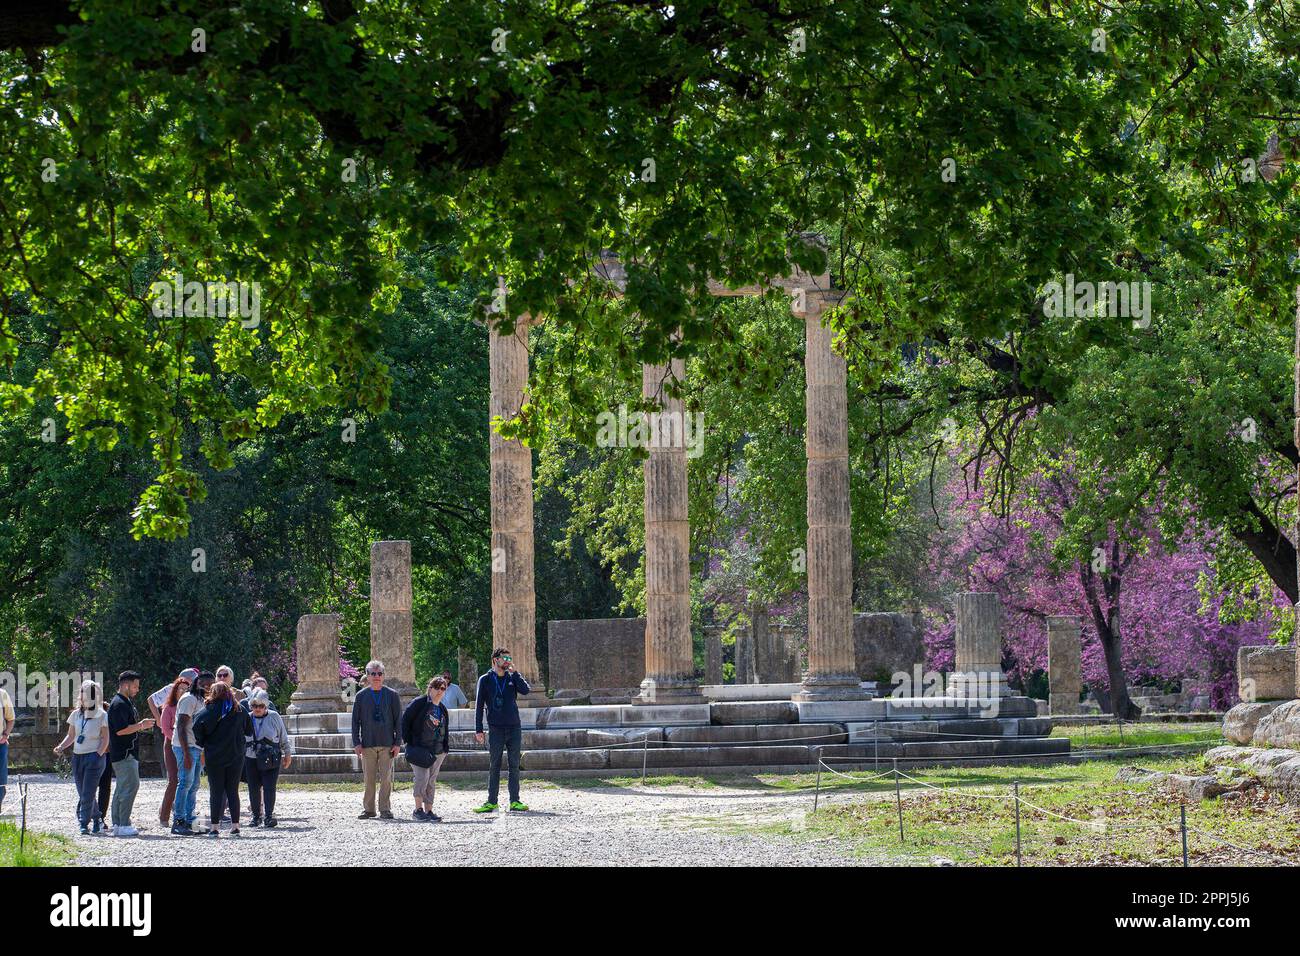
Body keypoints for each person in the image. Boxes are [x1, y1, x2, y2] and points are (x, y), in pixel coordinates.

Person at [473, 648, 531, 814]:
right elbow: (478, 706)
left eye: (509, 657)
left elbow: (526, 690)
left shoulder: (512, 677)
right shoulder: (485, 680)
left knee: (514, 765)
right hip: (495, 728)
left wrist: (516, 673)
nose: (507, 660)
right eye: (504, 658)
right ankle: (492, 802)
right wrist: (479, 729)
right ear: (495, 660)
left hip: (514, 727)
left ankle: (515, 801)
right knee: (495, 765)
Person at [192, 680, 252, 837]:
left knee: (216, 791)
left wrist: (203, 741)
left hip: (214, 756)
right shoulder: (239, 709)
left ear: (213, 693)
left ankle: (214, 827)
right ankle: (235, 826)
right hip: (236, 755)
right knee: (233, 791)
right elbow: (249, 730)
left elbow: (196, 726)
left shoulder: (208, 710)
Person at [53, 680, 110, 834]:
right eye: (83, 693)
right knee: (82, 791)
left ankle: (84, 823)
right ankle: (97, 817)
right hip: (77, 757)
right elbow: (71, 735)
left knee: (87, 792)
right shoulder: (75, 714)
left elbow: (105, 739)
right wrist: (61, 746)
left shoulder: (102, 714)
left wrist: (98, 754)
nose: (83, 697)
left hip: (94, 757)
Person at [350, 659, 402, 820]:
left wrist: (397, 742)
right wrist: (356, 743)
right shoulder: (360, 696)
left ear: (383, 676)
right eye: (373, 673)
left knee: (386, 779)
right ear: (367, 676)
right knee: (369, 778)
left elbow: (398, 720)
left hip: (387, 743)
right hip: (367, 744)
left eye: (380, 673)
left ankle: (385, 809)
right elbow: (355, 721)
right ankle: (369, 809)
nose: (377, 676)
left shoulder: (392, 695)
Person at [106, 670, 155, 837]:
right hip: (125, 753)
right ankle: (123, 823)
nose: (137, 689)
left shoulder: (123, 702)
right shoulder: (119, 703)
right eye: (135, 686)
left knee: (122, 787)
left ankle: (118, 823)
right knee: (130, 786)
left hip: (124, 753)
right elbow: (120, 731)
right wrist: (142, 725)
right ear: (126, 685)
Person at [171, 670, 214, 835]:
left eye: (211, 684)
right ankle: (179, 820)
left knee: (194, 784)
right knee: (185, 783)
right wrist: (186, 753)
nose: (208, 687)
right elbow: (181, 726)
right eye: (205, 683)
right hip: (185, 747)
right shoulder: (189, 699)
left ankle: (190, 820)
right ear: (197, 682)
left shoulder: (201, 700)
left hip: (195, 747)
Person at [402, 677, 451, 821]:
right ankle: (418, 810)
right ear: (430, 688)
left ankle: (429, 810)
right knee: (421, 778)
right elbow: (405, 721)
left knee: (431, 781)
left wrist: (445, 748)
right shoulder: (419, 703)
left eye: (443, 688)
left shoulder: (442, 708)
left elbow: (444, 728)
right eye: (437, 687)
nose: (440, 691)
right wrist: (408, 742)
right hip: (420, 749)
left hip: (438, 750)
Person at [154, 670, 197, 826]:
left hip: (187, 745)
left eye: (186, 690)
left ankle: (186, 814)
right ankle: (164, 817)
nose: (183, 692)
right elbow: (165, 729)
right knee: (174, 780)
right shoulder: (169, 708)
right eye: (181, 689)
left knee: (188, 781)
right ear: (175, 690)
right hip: (172, 745)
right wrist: (179, 740)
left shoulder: (191, 705)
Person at [244, 689, 292, 827]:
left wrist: (287, 753)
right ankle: (255, 816)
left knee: (269, 787)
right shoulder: (247, 718)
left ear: (266, 706)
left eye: (260, 706)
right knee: (253, 788)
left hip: (271, 757)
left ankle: (269, 816)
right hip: (251, 756)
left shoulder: (274, 716)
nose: (257, 709)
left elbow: (283, 737)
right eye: (254, 706)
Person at [0, 684, 14, 815]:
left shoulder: (2, 694)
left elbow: (10, 719)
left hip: (0, 745)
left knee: (1, 782)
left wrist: (5, 735)